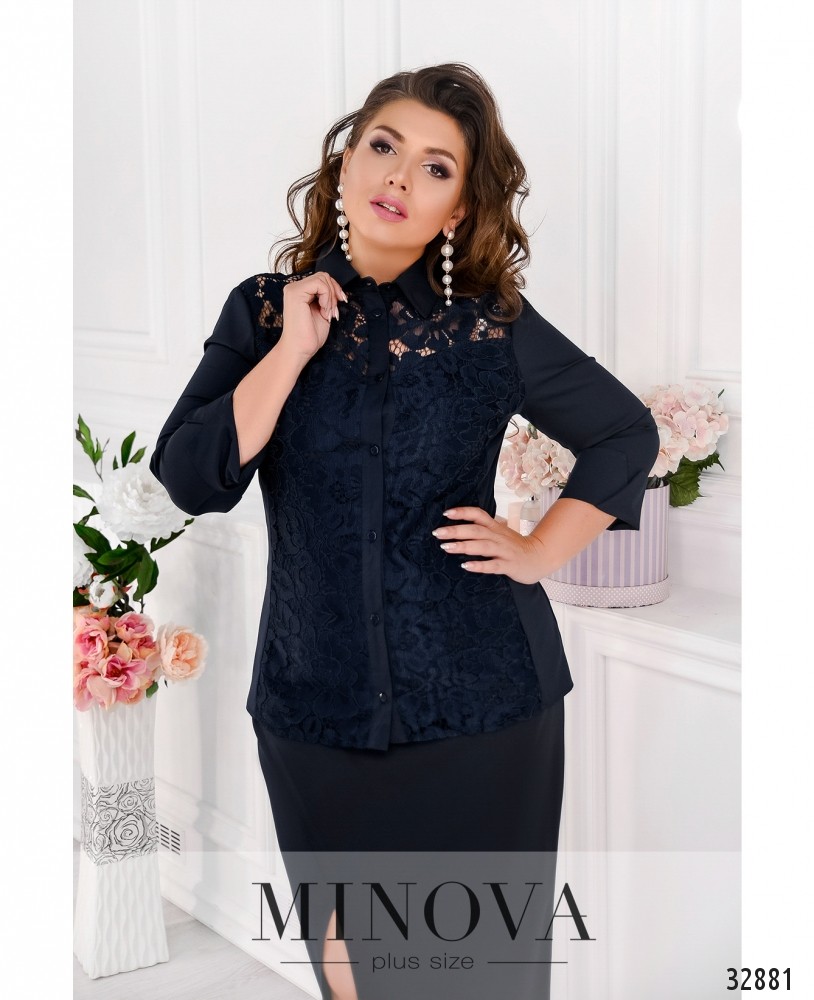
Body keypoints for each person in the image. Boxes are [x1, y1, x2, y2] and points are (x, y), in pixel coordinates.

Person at [150, 63, 659, 1000]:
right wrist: (292, 350)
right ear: (345, 164)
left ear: (457, 209)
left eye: (436, 167)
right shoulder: (262, 312)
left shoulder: (491, 329)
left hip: (483, 715)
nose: (399, 176)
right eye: (384, 146)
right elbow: (189, 479)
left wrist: (541, 549)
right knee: (355, 979)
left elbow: (625, 432)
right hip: (315, 711)